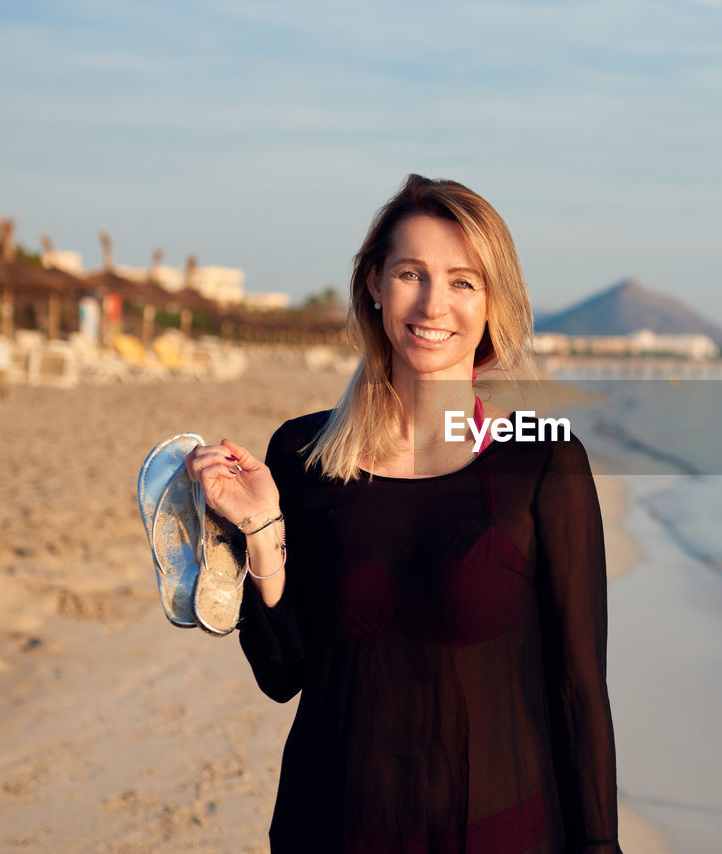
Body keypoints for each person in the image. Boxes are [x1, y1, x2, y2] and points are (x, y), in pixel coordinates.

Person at [185, 174, 622, 853]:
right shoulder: (303, 454)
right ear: (373, 283)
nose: (433, 303)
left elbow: (579, 690)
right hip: (329, 827)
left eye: (462, 281)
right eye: (412, 273)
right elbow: (284, 676)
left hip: (503, 834)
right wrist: (262, 535)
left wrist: (600, 846)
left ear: (490, 302)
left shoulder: (543, 463)